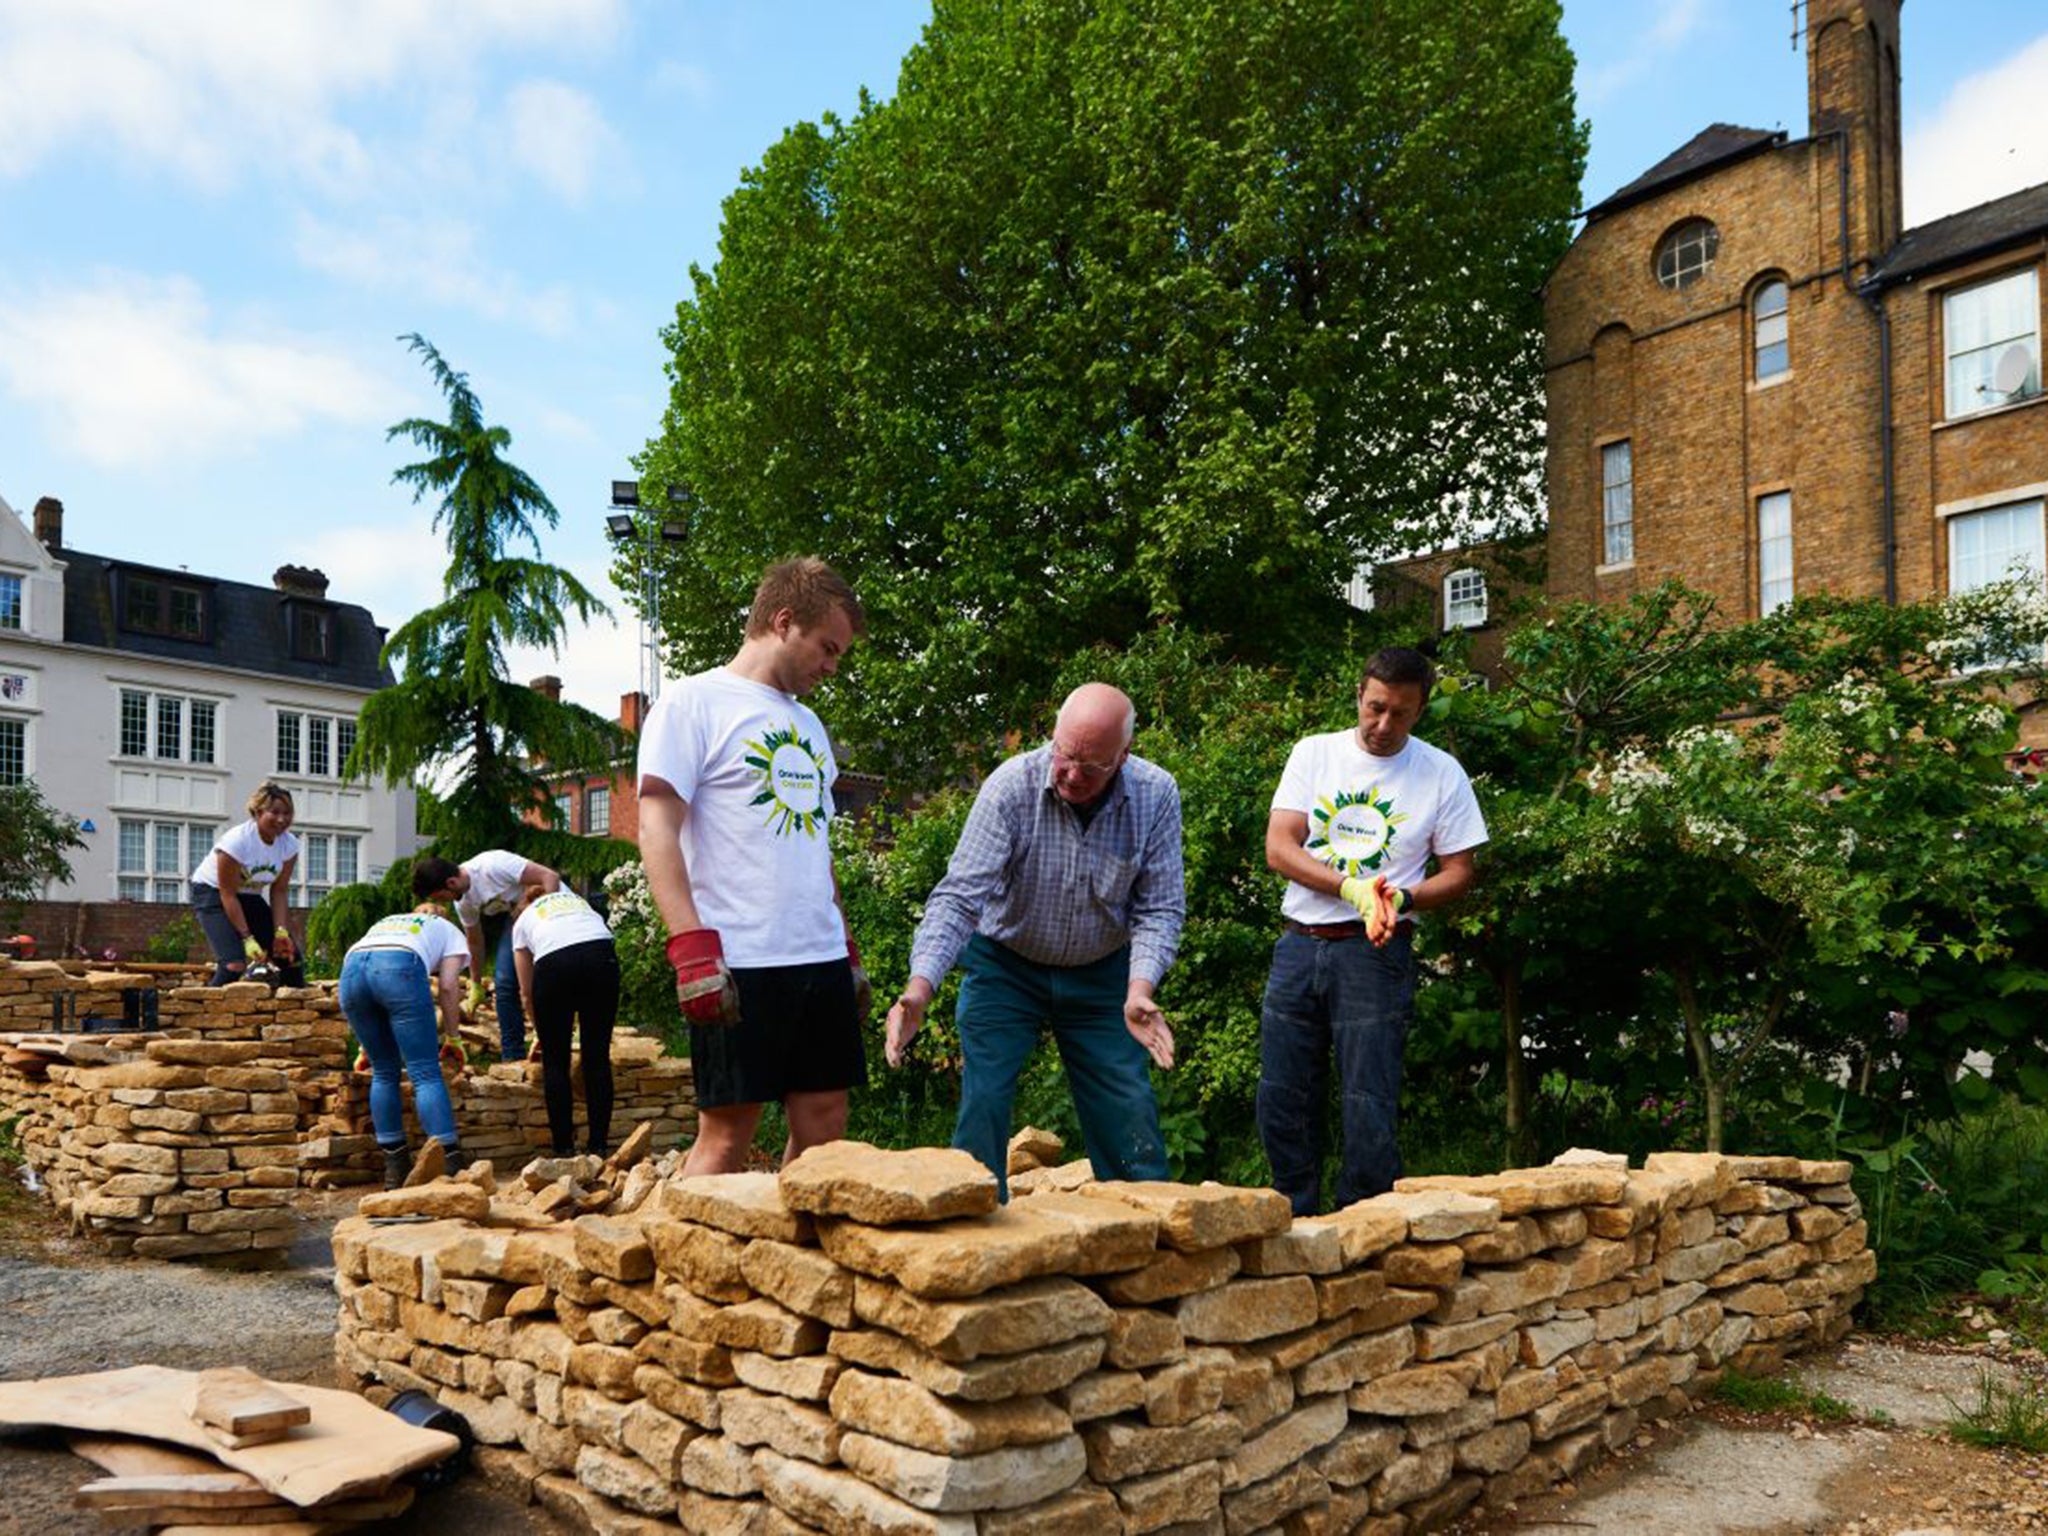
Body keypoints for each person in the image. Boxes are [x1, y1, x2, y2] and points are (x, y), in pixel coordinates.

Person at [886, 683, 1183, 1199]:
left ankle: (1146, 1226)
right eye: (1064, 754)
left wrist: (1139, 990)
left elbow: (1159, 907)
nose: (1070, 773)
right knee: (985, 1099)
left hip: (1102, 973)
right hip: (1006, 965)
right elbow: (960, 898)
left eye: (1090, 767)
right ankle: (974, 1227)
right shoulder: (1011, 788)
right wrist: (920, 989)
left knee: (1127, 1107)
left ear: (1123, 756)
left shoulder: (1155, 794)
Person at [636, 557, 871, 1176]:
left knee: (825, 1125)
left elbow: (814, 847)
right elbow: (656, 825)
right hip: (737, 959)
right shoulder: (693, 702)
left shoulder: (810, 726)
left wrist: (844, 946)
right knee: (727, 1135)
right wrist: (689, 947)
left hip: (816, 957)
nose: (831, 666)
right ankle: (691, 1270)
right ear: (783, 621)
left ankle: (795, 1265)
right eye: (827, 648)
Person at [1258, 647, 1487, 1216]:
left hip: (1376, 952)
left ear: (1420, 711)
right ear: (1359, 695)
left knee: (1369, 1098)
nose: (1384, 725)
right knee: (1282, 1094)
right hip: (1299, 941)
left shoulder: (1440, 773)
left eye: (1400, 714)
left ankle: (1365, 1226)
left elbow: (1460, 872)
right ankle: (1293, 1215)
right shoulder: (1314, 754)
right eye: (1376, 708)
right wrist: (1349, 888)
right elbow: (1279, 847)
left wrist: (1403, 897)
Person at [340, 860, 472, 1187]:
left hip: (353, 971)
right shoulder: (448, 930)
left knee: (384, 1071)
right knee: (425, 1071)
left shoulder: (387, 921)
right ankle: (449, 1161)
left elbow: (369, 973)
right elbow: (447, 986)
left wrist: (364, 1045)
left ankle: (394, 1167)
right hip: (398, 967)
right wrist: (453, 1038)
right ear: (441, 913)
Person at [510, 884, 621, 1157]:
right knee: (596, 1056)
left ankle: (563, 1148)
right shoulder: (579, 903)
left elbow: (525, 992)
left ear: (525, 903)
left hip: (555, 965)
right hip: (601, 958)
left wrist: (541, 1033)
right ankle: (598, 1146)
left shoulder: (524, 919)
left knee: (556, 1061)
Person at [434, 850, 562, 1061]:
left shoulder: (492, 865)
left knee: (546, 980)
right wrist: (475, 984)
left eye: (440, 897)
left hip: (552, 908)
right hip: (519, 919)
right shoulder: (463, 902)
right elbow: (474, 942)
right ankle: (513, 1056)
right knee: (504, 983)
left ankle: (558, 1042)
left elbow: (550, 877)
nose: (443, 902)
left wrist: (547, 923)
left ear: (450, 883)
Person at [190, 783, 305, 987]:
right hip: (212, 894)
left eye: (287, 813)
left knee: (289, 958)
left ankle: (297, 1014)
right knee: (233, 965)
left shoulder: (289, 844)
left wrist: (280, 933)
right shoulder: (237, 841)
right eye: (275, 812)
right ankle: (203, 1013)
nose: (282, 819)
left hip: (248, 895)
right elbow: (228, 894)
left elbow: (279, 891)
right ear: (258, 812)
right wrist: (247, 938)